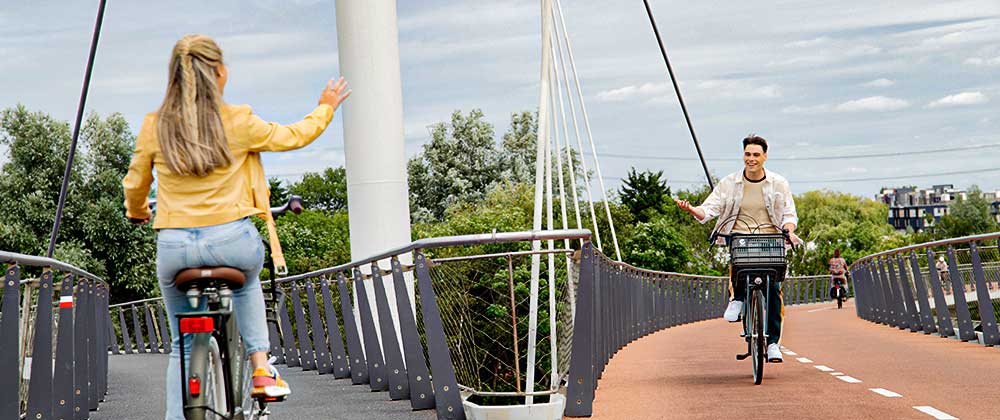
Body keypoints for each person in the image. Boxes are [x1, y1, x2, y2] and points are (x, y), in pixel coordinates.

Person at [122, 34, 351, 419]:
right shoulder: (238, 120)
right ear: (220, 73)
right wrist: (324, 109)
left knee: (181, 345)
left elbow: (134, 183)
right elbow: (293, 136)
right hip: (232, 238)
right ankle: (261, 366)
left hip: (175, 246)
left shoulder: (154, 126)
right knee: (246, 281)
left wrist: (137, 210)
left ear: (173, 77)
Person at [674, 134, 801, 363]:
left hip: (770, 239)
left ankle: (772, 343)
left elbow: (789, 214)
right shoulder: (729, 183)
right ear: (743, 155)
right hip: (741, 237)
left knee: (773, 287)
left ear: (765, 156)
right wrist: (692, 209)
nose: (751, 159)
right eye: (747, 154)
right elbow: (709, 209)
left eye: (756, 155)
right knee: (740, 266)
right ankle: (738, 299)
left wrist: (789, 230)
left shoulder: (779, 183)